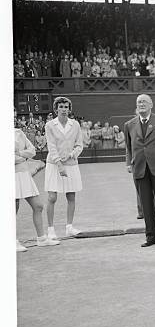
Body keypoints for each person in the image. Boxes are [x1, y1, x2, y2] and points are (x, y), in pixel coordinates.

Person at [124, 94, 155, 247]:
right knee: (146, 206)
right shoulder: (129, 125)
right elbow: (129, 147)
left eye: (144, 101)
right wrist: (130, 163)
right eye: (139, 102)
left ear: (151, 104)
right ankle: (150, 237)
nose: (141, 104)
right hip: (140, 169)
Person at [44, 96, 84, 239]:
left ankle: (69, 227)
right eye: (61, 107)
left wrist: (72, 154)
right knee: (52, 197)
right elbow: (51, 146)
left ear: (69, 109)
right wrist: (59, 164)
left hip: (71, 164)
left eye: (66, 107)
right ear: (56, 109)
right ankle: (50, 230)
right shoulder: (49, 125)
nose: (64, 110)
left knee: (71, 196)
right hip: (54, 164)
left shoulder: (76, 125)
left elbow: (80, 145)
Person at [15, 126, 60, 251]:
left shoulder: (18, 132)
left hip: (24, 174)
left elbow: (32, 151)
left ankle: (42, 239)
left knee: (38, 206)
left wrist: (19, 154)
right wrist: (22, 156)